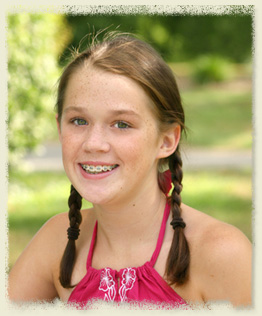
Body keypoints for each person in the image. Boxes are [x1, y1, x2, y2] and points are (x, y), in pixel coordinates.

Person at [8, 32, 252, 309]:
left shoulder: (221, 254)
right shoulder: (57, 240)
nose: (94, 143)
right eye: (78, 121)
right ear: (59, 127)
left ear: (166, 140)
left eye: (121, 124)